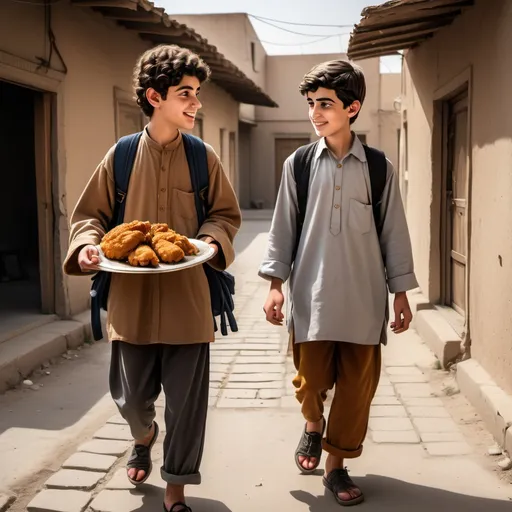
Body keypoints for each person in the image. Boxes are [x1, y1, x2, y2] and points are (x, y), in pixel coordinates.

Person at [63, 45, 241, 512]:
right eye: (186, 94)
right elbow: (89, 217)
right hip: (131, 303)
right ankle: (143, 436)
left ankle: (176, 489)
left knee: (187, 406)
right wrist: (86, 246)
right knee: (131, 399)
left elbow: (224, 215)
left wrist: (210, 240)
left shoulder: (204, 158)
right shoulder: (120, 157)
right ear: (154, 96)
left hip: (189, 303)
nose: (195, 104)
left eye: (197, 94)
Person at [259, 60, 418, 507]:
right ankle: (313, 425)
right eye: (311, 104)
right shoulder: (300, 164)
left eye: (325, 104)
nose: (315, 113)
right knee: (310, 382)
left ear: (353, 107)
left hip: (365, 301)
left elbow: (394, 233)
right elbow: (282, 229)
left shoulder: (379, 167)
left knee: (355, 390)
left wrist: (400, 293)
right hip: (312, 297)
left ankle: (337, 467)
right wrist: (275, 283)